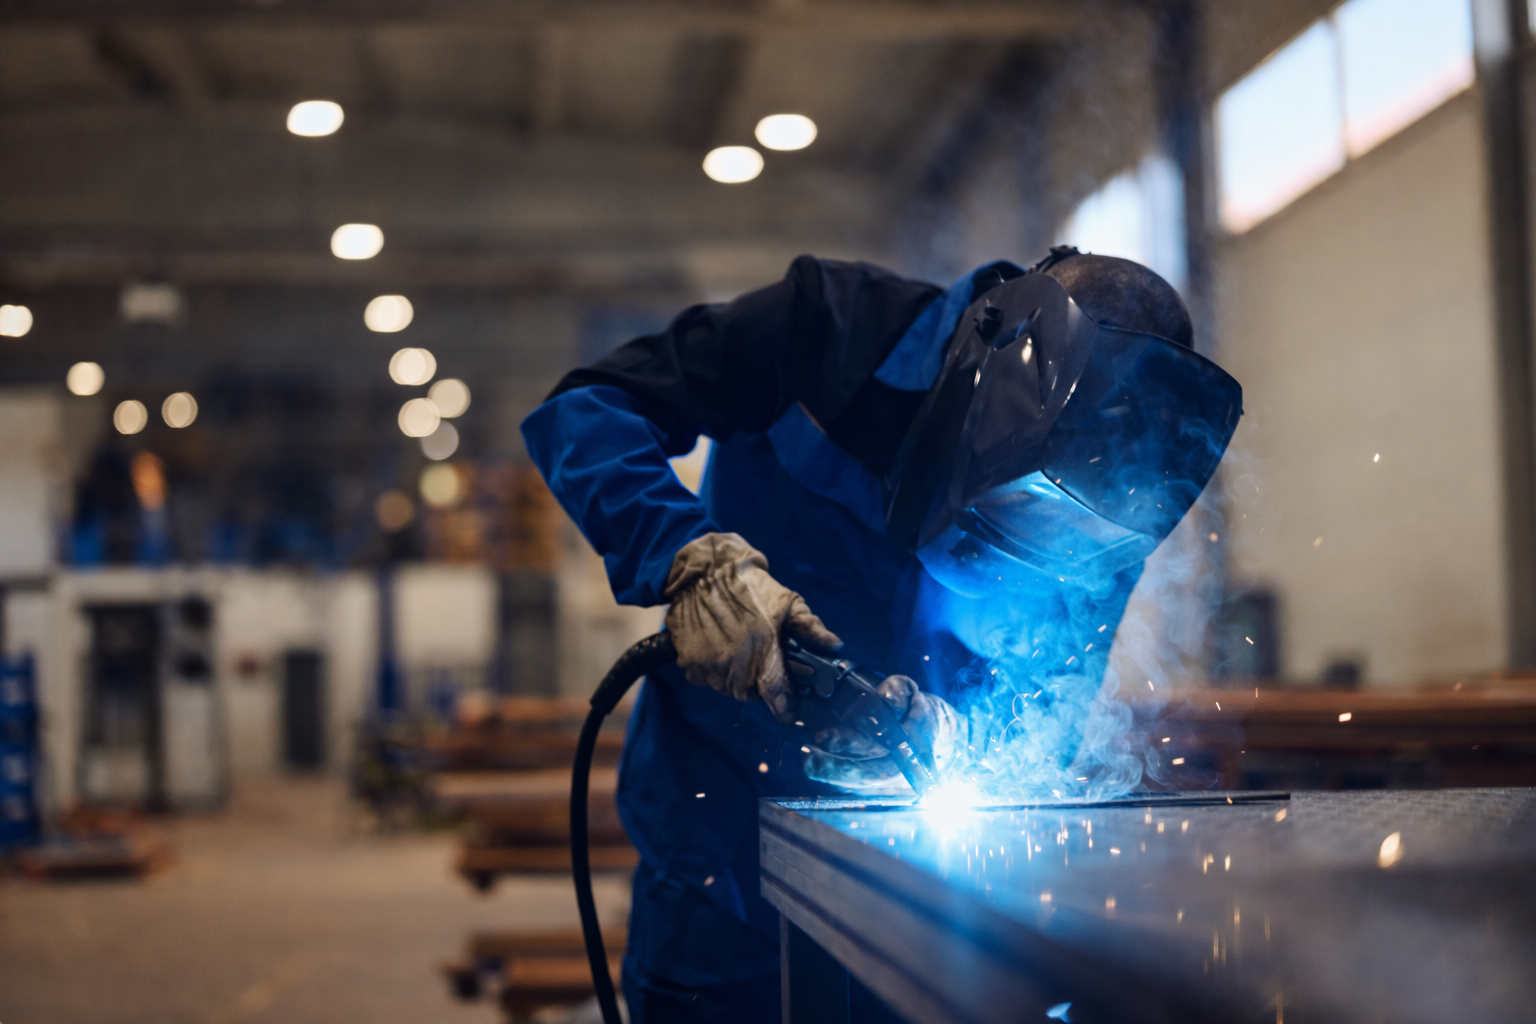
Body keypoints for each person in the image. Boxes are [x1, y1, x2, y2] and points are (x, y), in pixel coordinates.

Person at [521, 247, 1241, 1022]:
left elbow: (1050, 711)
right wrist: (687, 560)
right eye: (1007, 515)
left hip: (923, 900)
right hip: (718, 857)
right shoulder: (827, 331)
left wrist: (963, 740)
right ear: (981, 379)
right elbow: (585, 411)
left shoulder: (1115, 508)